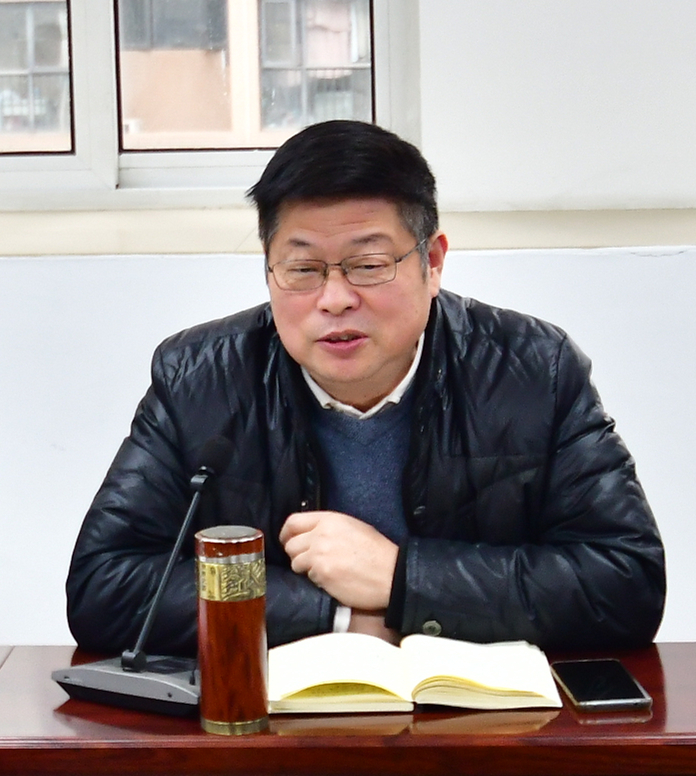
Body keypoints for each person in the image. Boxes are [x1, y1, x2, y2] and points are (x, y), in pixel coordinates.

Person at [66, 120, 665, 656]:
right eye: (303, 269)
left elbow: (626, 582)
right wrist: (334, 615)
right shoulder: (201, 379)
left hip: (480, 723)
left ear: (433, 262)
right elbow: (103, 586)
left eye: (369, 265)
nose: (334, 299)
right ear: (269, 269)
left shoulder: (533, 371)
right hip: (274, 723)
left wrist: (403, 579)